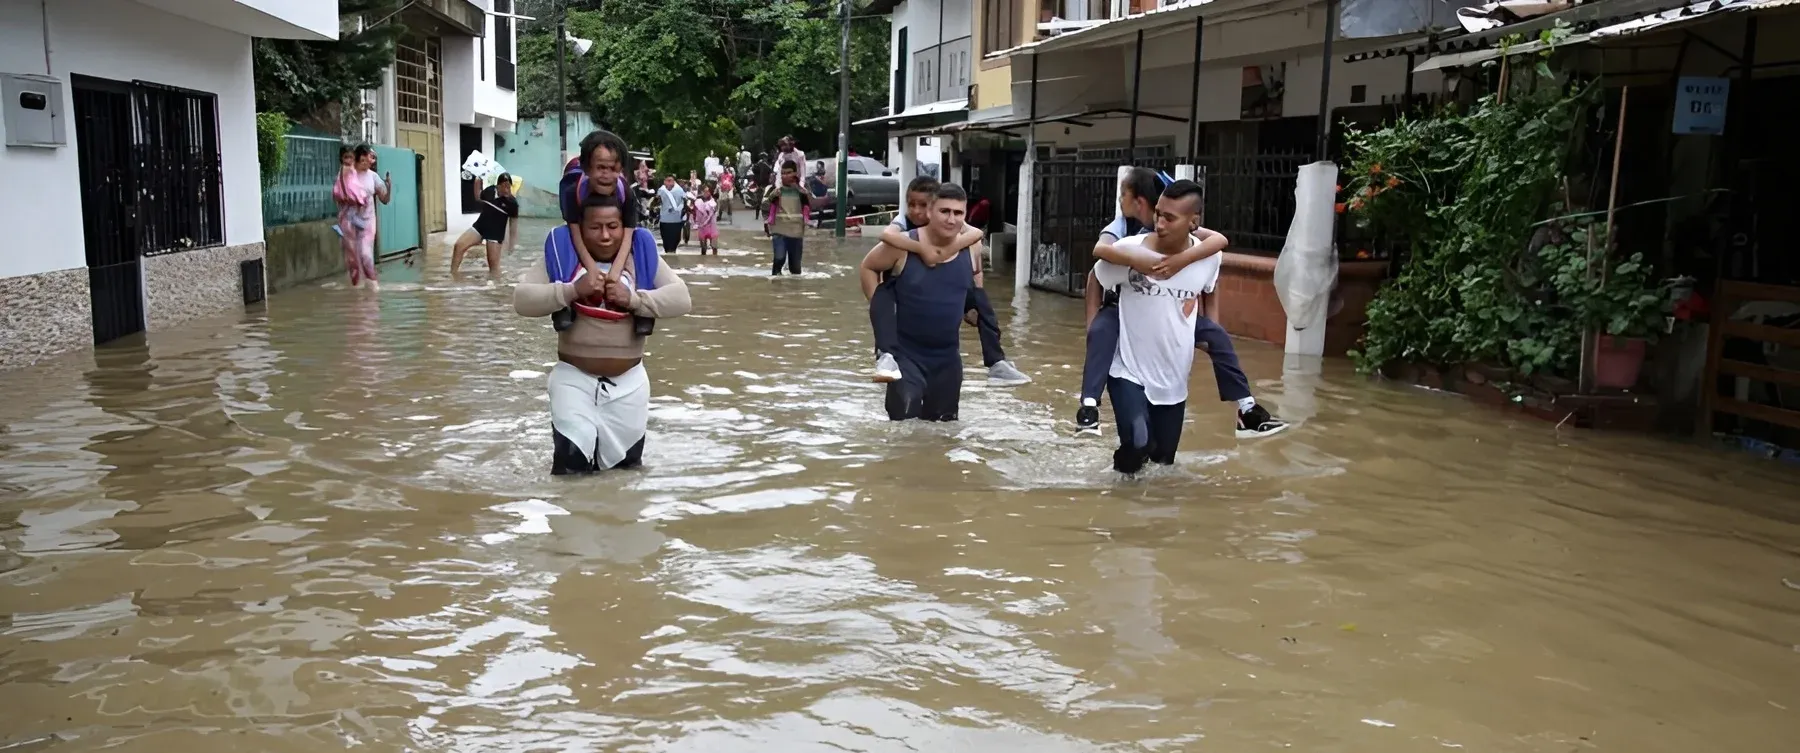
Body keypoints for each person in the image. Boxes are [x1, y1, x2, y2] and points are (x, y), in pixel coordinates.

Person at [1080, 170, 1289, 442]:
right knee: (1099, 333)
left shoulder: (1184, 233)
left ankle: (1247, 409)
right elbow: (1099, 254)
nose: (1160, 222)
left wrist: (1184, 262)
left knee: (1217, 336)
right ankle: (1088, 407)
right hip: (1120, 307)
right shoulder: (1121, 229)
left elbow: (1218, 245)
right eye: (1159, 214)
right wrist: (1136, 261)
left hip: (1169, 318)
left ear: (1139, 200)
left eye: (1123, 195)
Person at [514, 191, 693, 474]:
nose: (606, 236)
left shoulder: (642, 256)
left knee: (625, 473)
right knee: (570, 467)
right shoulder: (562, 255)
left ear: (624, 227)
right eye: (595, 228)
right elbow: (522, 300)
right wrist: (572, 290)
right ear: (581, 230)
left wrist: (634, 300)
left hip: (630, 384)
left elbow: (682, 299)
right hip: (573, 380)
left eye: (613, 226)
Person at [1089, 179, 1226, 474]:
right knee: (1138, 444)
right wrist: (1093, 330)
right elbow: (1095, 278)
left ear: (1194, 221)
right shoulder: (1130, 249)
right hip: (1128, 368)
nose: (1159, 223)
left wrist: (1211, 331)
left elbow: (1210, 289)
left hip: (1174, 375)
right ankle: (1119, 494)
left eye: (1169, 217)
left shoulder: (1208, 257)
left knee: (1163, 461)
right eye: (1158, 213)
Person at [872, 177, 1030, 386]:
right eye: (912, 205)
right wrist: (922, 249)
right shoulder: (903, 223)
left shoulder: (950, 221)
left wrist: (973, 299)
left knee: (983, 302)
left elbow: (975, 236)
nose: (917, 212)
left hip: (950, 288)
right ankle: (886, 356)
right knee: (884, 303)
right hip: (907, 291)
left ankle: (997, 363)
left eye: (924, 205)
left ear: (932, 207)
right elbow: (885, 236)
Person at [858, 183, 981, 422]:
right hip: (906, 355)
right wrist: (880, 307)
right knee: (904, 427)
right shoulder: (901, 245)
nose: (951, 219)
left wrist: (974, 310)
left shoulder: (971, 246)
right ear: (930, 212)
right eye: (944, 211)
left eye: (958, 213)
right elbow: (868, 267)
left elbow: (973, 281)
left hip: (947, 359)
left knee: (943, 431)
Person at [557, 132, 636, 280]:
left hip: (616, 246)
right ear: (586, 168)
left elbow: (628, 237)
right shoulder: (572, 192)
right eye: (600, 167)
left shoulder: (627, 193)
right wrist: (592, 270)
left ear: (621, 171)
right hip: (583, 234)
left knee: (642, 238)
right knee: (560, 235)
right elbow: (576, 236)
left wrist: (615, 273)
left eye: (613, 169)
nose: (606, 174)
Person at [338, 145, 391, 290]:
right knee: (352, 260)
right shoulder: (347, 173)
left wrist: (388, 187)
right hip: (348, 222)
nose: (371, 162)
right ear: (360, 158)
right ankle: (356, 291)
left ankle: (373, 287)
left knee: (366, 255)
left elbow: (385, 200)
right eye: (369, 157)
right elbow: (338, 194)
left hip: (367, 222)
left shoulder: (373, 177)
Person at [452, 172, 519, 275]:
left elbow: (513, 226)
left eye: (508, 186)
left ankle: (495, 288)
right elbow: (478, 197)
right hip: (480, 227)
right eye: (504, 186)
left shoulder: (512, 203)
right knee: (458, 246)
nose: (507, 190)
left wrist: (511, 245)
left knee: (493, 267)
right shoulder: (490, 191)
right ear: (498, 186)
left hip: (495, 234)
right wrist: (477, 182)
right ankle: (453, 274)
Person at [766, 162, 810, 276]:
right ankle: (776, 287)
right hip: (779, 230)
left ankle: (794, 291)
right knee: (779, 258)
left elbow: (811, 205)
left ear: (795, 173)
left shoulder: (802, 192)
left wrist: (799, 188)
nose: (785, 176)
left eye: (789, 173)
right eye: (783, 173)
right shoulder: (776, 191)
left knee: (795, 268)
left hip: (796, 232)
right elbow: (765, 206)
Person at [655, 174, 687, 255]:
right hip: (664, 219)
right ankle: (668, 256)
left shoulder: (679, 190)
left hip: (676, 220)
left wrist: (684, 213)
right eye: (667, 180)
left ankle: (672, 255)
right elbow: (657, 202)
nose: (668, 183)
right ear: (664, 182)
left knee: (675, 240)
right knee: (665, 240)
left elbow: (685, 202)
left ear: (674, 182)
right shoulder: (661, 190)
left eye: (670, 180)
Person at [693, 184, 720, 255]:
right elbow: (695, 214)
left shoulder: (713, 202)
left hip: (712, 226)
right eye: (704, 191)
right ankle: (703, 262)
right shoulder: (697, 202)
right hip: (702, 227)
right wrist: (696, 223)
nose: (706, 193)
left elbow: (714, 211)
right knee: (703, 248)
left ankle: (715, 261)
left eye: (708, 191)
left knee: (714, 247)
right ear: (701, 192)